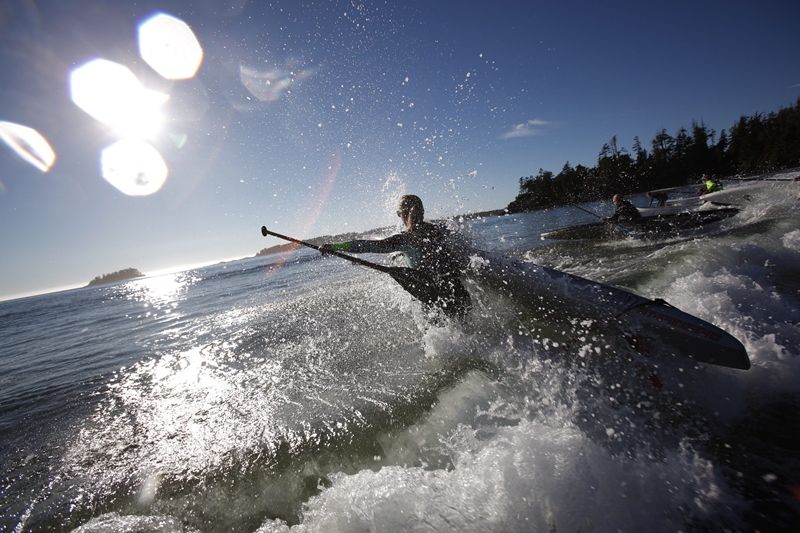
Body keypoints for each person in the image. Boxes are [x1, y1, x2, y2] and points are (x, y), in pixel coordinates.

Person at [319, 194, 472, 319]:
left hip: (435, 301)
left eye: (399, 214)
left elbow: (365, 246)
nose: (400, 217)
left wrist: (333, 247)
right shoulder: (440, 230)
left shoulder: (405, 239)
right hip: (458, 292)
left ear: (404, 215)